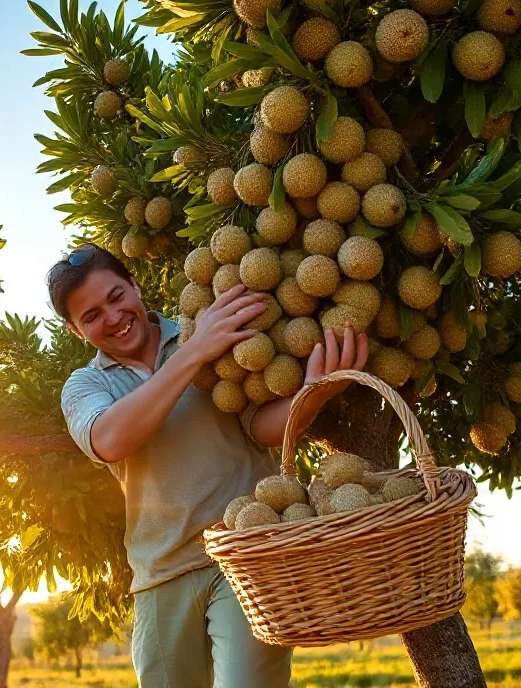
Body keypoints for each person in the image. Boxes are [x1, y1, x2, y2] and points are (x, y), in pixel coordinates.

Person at [48, 243, 369, 687]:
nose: (113, 317)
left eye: (116, 296)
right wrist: (193, 354)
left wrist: (314, 392)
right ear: (74, 330)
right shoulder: (86, 385)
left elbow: (259, 426)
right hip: (160, 572)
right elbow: (110, 439)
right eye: (91, 315)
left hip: (246, 553)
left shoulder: (207, 326)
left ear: (135, 286)